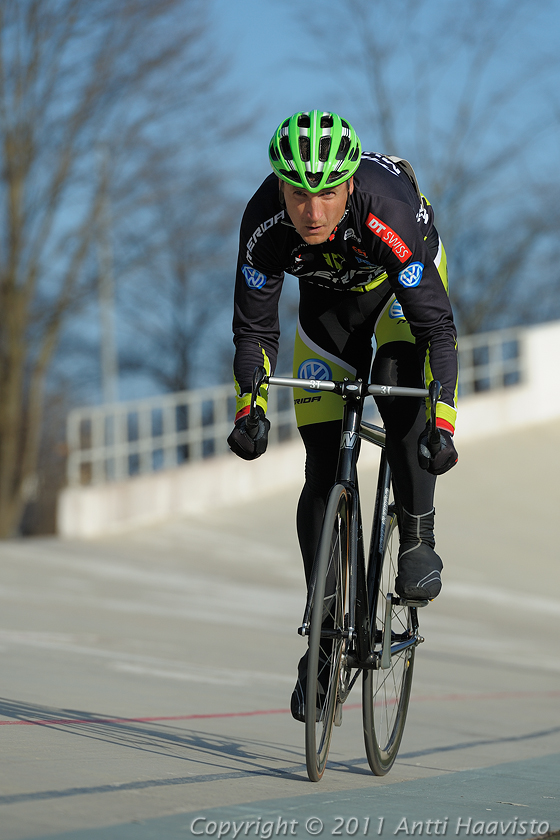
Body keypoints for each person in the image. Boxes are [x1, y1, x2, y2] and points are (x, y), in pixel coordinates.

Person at [227, 110, 458, 721]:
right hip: (329, 310)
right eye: (298, 194)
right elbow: (255, 329)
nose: (313, 211)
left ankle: (418, 535)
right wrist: (250, 408)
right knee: (322, 465)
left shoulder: (386, 210)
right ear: (280, 188)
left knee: (398, 386)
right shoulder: (263, 222)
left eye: (327, 193)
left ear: (350, 184)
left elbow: (437, 329)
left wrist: (442, 420)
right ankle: (326, 634)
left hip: (401, 298)